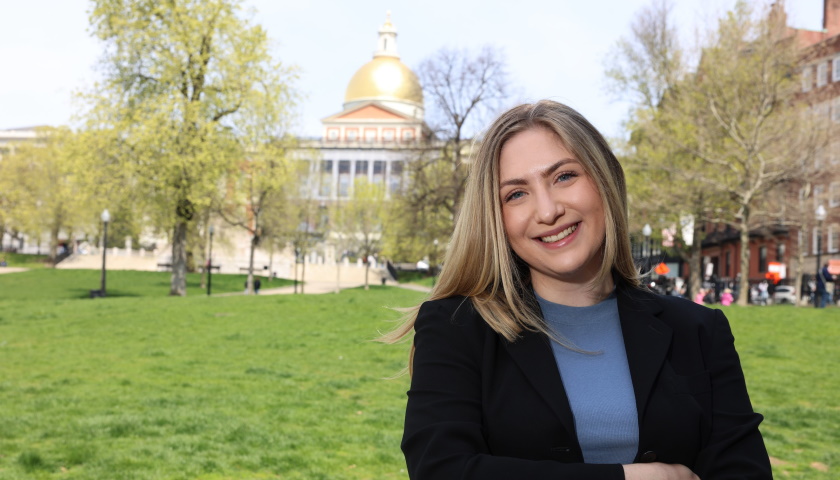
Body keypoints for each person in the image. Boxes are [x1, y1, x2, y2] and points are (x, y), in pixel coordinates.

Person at [382, 101, 770, 480]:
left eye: (564, 176)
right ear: (496, 219)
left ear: (604, 181)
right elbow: (441, 469)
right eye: (516, 194)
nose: (548, 211)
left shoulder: (699, 330)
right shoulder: (457, 327)